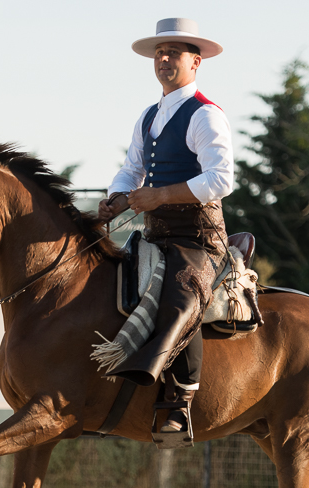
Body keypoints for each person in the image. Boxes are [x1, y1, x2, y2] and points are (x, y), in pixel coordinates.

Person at [96, 18, 233, 434]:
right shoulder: (148, 116)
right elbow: (132, 168)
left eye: (174, 52)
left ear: (196, 62)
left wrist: (160, 195)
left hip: (199, 237)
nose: (164, 58)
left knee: (182, 293)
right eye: (160, 52)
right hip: (156, 233)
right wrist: (117, 198)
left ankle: (179, 399)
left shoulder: (205, 115)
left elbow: (221, 179)